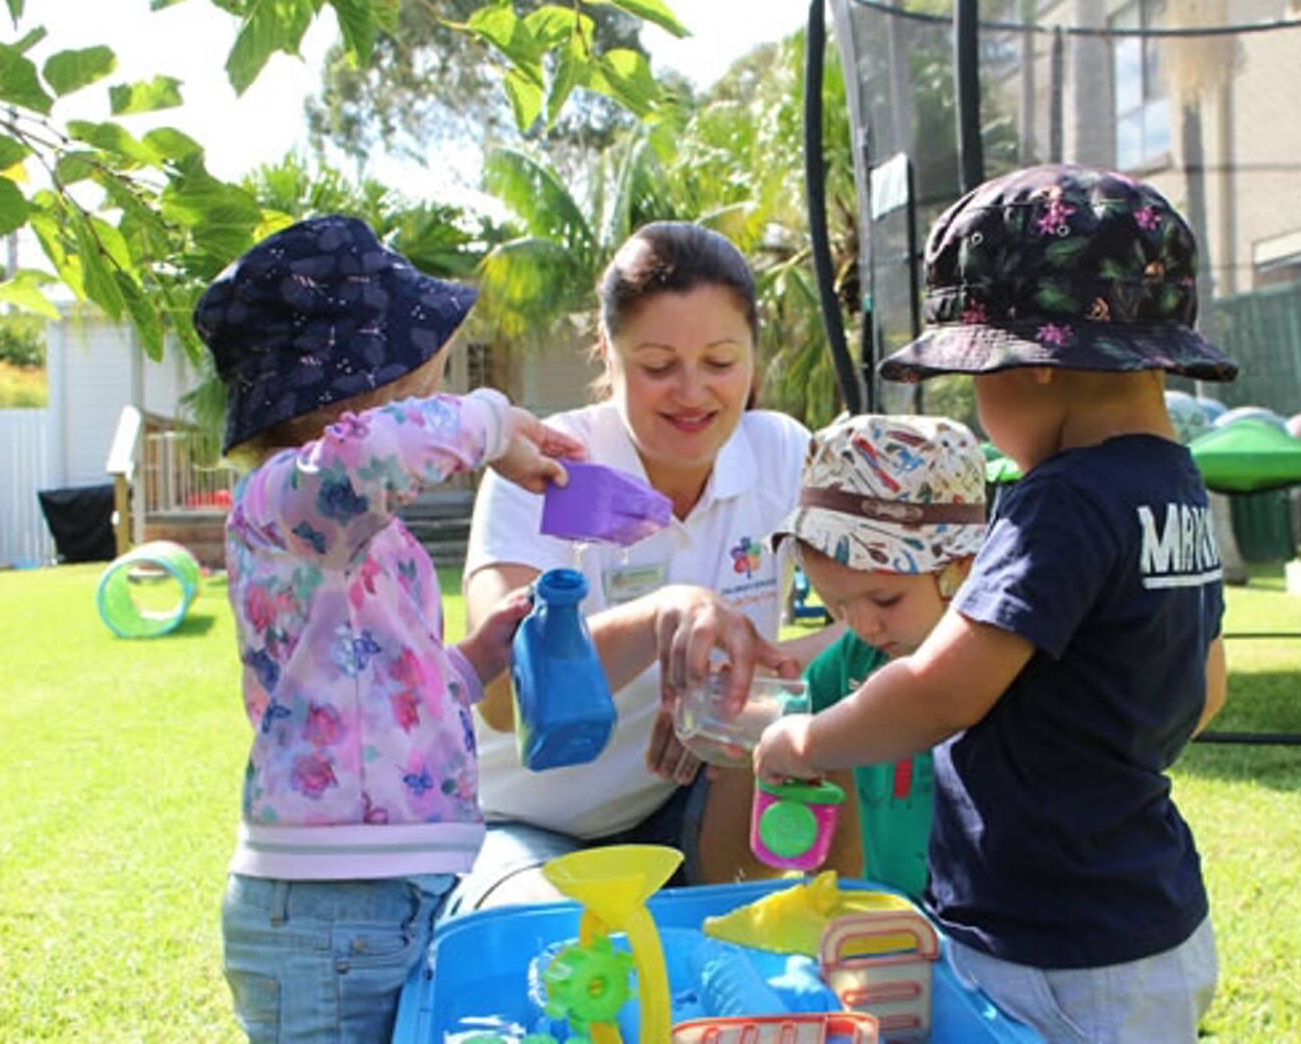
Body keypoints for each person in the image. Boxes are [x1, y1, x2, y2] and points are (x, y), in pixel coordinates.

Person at [754, 164, 1237, 1043]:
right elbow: (1205, 691)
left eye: (974, 377)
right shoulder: (1176, 488)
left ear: (1039, 366)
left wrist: (806, 739)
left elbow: (942, 692)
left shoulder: (1063, 500)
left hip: (1047, 946)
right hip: (1154, 916)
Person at [197, 215, 585, 1043]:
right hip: (331, 911)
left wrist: (476, 660)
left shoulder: (362, 537)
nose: (435, 405)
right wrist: (490, 422)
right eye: (421, 392)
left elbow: (386, 691)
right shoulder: (284, 502)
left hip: (381, 896)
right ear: (357, 390)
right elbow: (371, 458)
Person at [460, 222, 848, 908]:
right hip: (525, 823)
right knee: (562, 959)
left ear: (756, 356)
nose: (692, 393)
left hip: (692, 804)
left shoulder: (782, 454)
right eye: (659, 366)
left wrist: (724, 679)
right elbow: (500, 698)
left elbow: (891, 627)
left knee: (790, 909)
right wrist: (666, 619)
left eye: (721, 362)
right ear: (607, 353)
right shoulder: (552, 469)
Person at [769, 413, 986, 901]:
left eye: (885, 601)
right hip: (884, 916)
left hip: (989, 929)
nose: (862, 625)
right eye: (838, 603)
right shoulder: (851, 660)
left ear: (961, 568)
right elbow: (799, 720)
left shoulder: (992, 665)